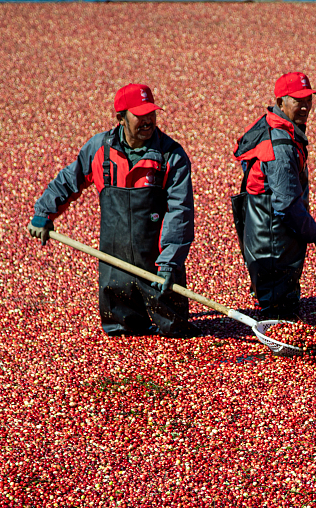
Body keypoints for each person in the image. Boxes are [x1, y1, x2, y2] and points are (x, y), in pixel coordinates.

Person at [28, 83, 198, 338]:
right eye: (139, 115)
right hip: (114, 262)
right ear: (121, 118)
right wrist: (44, 213)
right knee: (121, 333)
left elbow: (180, 213)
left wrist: (169, 263)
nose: (148, 120)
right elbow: (68, 181)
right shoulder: (100, 150)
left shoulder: (171, 156)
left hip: (156, 263)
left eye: (151, 113)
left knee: (173, 329)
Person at [232, 71, 316, 321]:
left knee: (275, 298)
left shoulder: (277, 126)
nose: (305, 107)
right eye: (297, 100)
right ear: (280, 102)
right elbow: (286, 205)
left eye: (308, 100)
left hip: (269, 230)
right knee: (278, 311)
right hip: (272, 238)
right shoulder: (280, 146)